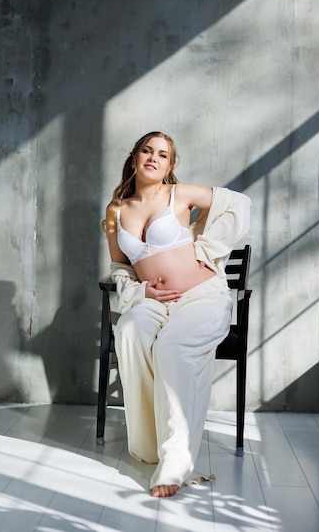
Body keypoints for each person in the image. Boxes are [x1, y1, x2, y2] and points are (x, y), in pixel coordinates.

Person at [102, 131, 251, 498]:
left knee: (171, 348)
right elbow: (121, 268)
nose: (154, 157)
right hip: (154, 302)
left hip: (201, 297)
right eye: (147, 150)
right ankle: (150, 444)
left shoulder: (178, 194)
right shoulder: (116, 211)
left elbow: (240, 203)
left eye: (163, 155)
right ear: (135, 157)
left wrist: (207, 247)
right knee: (129, 330)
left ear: (170, 166)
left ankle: (175, 461)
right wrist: (140, 291)